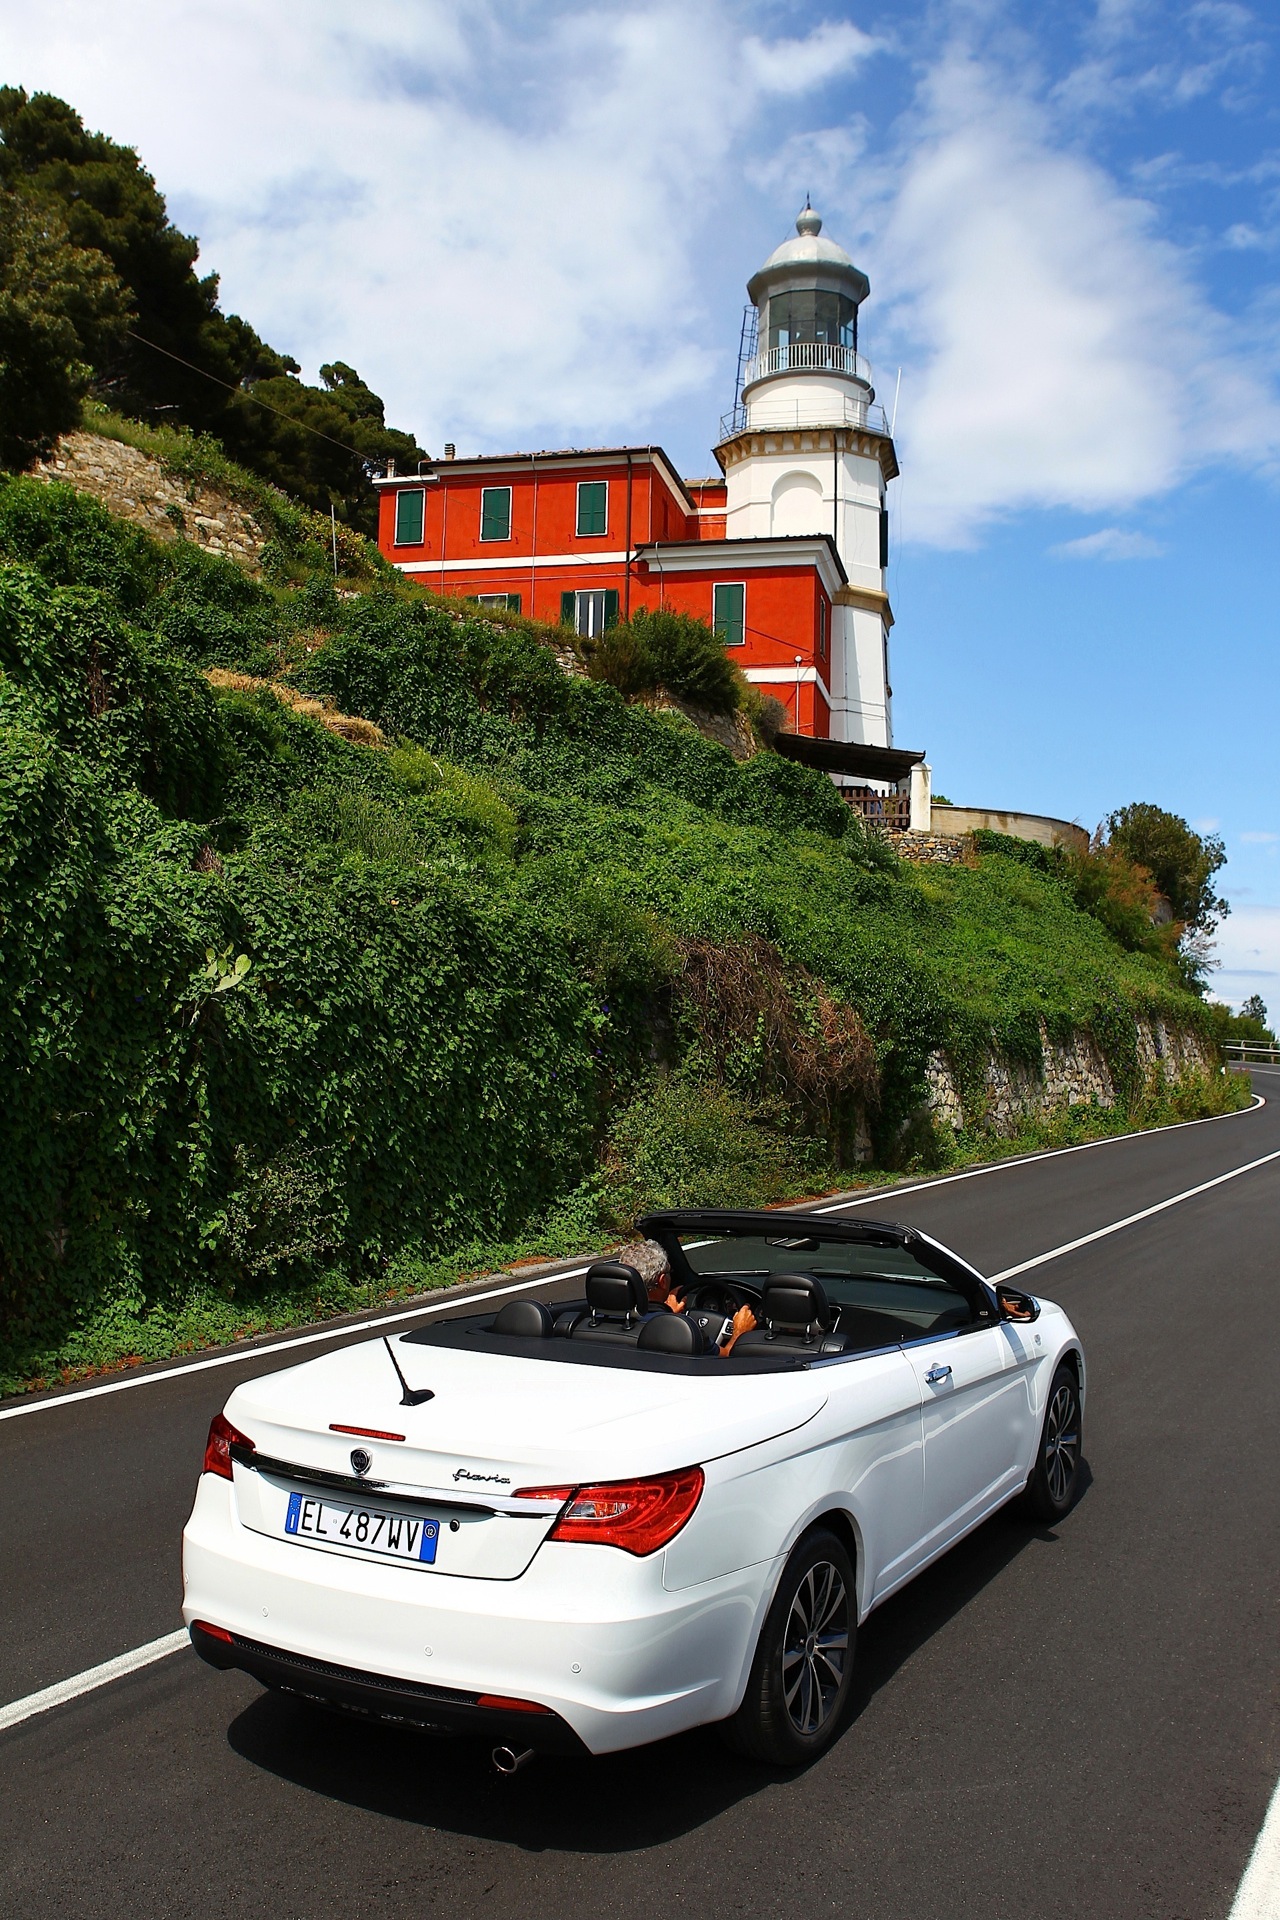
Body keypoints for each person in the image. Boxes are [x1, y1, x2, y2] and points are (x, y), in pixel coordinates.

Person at [616, 1240, 757, 1355]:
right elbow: (725, 1357)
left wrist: (666, 1314)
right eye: (670, 1271)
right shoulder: (680, 1331)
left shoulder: (600, 1316)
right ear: (663, 1281)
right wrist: (740, 1332)